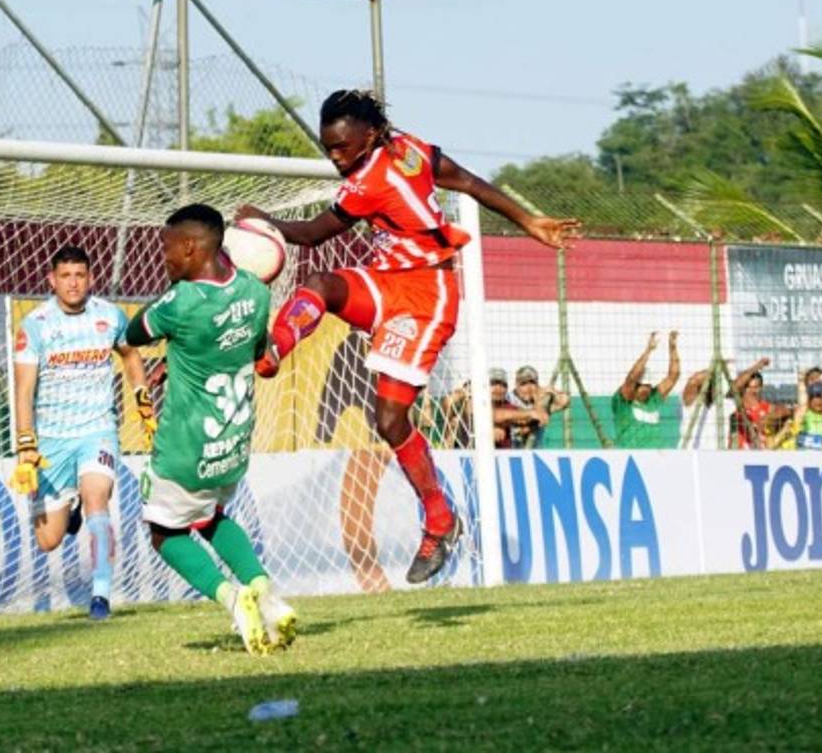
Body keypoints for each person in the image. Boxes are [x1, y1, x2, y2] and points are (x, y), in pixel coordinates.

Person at [236, 89, 581, 583]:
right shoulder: (410, 150)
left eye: (342, 147)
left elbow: (313, 234)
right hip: (386, 281)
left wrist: (264, 223)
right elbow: (467, 181)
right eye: (328, 147)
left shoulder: (371, 180)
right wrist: (528, 219)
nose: (335, 157)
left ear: (370, 136)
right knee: (322, 286)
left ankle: (439, 519)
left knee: (390, 418)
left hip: (426, 296)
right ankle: (273, 353)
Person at [125, 203, 296, 656]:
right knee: (209, 517)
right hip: (233, 442)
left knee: (165, 532)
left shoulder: (180, 302)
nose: (162, 258)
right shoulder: (256, 294)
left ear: (190, 247)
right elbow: (255, 350)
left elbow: (134, 330)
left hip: (186, 446)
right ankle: (263, 588)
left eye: (166, 249)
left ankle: (232, 597)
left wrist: (173, 327)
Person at [8, 245, 156, 621]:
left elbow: (130, 356)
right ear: (52, 280)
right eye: (65, 276)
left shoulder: (109, 316)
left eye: (80, 275)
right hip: (52, 442)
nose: (73, 283)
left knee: (97, 499)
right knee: (49, 540)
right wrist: (26, 445)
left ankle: (101, 597)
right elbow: (24, 390)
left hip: (97, 430)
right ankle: (67, 507)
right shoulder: (36, 325)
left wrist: (142, 404)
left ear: (90, 278)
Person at [611, 331, 680, 448]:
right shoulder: (624, 402)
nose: (646, 390)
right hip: (631, 456)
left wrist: (672, 348)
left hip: (656, 458)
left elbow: (673, 377)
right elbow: (631, 378)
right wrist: (648, 351)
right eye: (642, 386)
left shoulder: (653, 399)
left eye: (648, 386)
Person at [729, 357, 790, 449]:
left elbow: (785, 411)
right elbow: (734, 387)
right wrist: (757, 367)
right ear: (743, 389)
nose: (753, 391)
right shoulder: (739, 407)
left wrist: (769, 418)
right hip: (738, 455)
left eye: (756, 387)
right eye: (749, 388)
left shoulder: (766, 407)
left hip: (760, 454)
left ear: (761, 388)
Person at [507, 365, 570, 448]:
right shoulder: (509, 398)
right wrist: (537, 408)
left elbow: (564, 401)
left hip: (535, 452)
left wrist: (552, 391)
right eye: (523, 384)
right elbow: (521, 419)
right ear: (516, 385)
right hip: (512, 452)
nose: (528, 387)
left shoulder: (543, 399)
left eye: (532, 382)